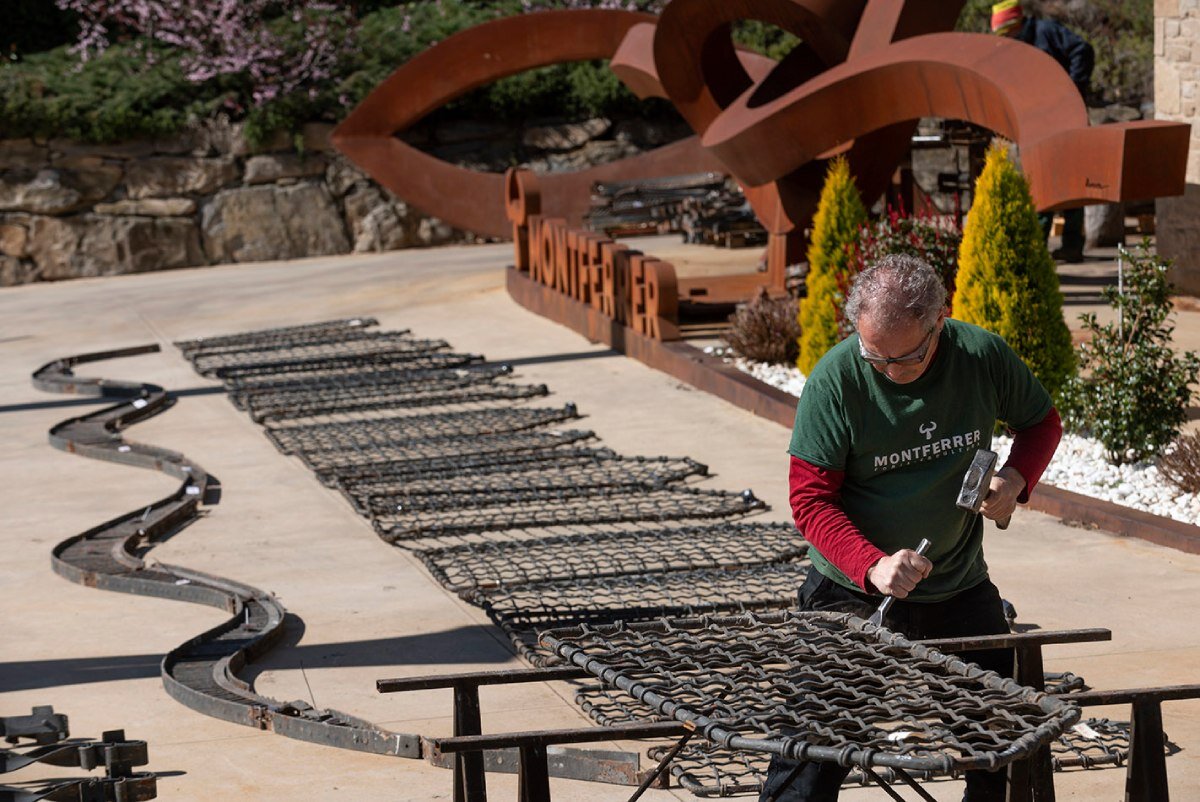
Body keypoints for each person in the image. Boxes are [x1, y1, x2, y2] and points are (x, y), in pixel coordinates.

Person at [760, 254, 1062, 802]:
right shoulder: (837, 379)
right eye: (875, 356)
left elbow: (1041, 422)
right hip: (851, 592)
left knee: (995, 746)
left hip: (957, 582)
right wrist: (872, 565)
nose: (889, 371)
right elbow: (809, 502)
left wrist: (1017, 478)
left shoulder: (981, 356)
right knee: (811, 756)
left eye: (906, 358)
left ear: (938, 323)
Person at [992, 0, 1094, 263]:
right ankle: (1039, 246)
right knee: (1040, 182)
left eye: (1008, 34)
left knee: (1073, 184)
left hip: (1068, 120)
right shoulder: (1014, 51)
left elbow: (1082, 50)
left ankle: (1072, 246)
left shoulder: (1046, 32)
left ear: (1018, 25)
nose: (1007, 40)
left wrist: (1070, 91)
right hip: (1038, 124)